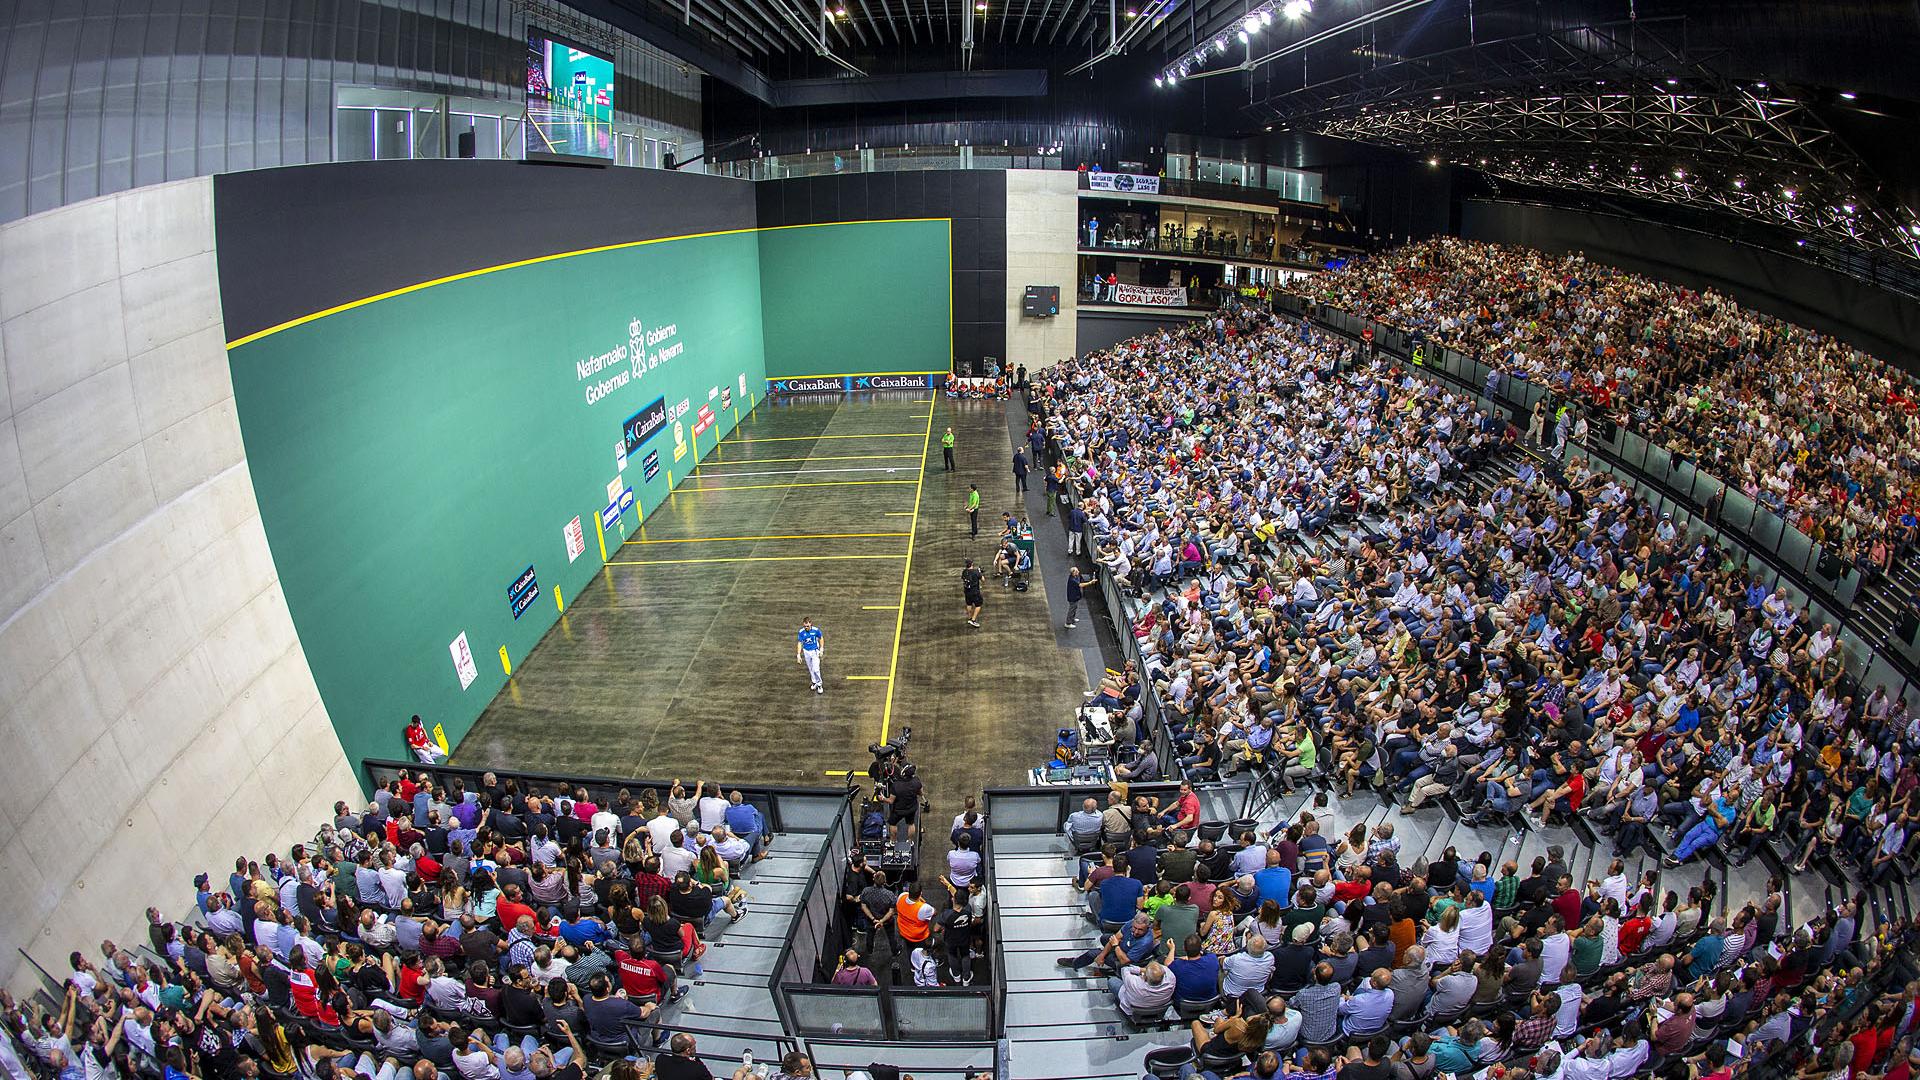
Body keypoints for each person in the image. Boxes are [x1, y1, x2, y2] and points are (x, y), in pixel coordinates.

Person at [795, 618, 824, 695]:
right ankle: (814, 682)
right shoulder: (801, 632)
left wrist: (821, 649)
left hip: (814, 651)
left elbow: (821, 638)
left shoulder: (816, 630)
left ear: (811, 624)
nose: (806, 628)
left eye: (807, 626)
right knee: (810, 668)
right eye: (804, 626)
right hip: (806, 651)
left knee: (816, 669)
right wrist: (798, 654)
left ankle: (819, 684)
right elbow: (800, 643)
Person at [962, 559, 985, 628]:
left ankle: (969, 618)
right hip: (975, 592)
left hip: (967, 591)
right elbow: (983, 580)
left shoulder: (964, 572)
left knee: (969, 604)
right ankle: (973, 620)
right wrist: (980, 573)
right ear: (972, 564)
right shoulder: (976, 572)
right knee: (978, 605)